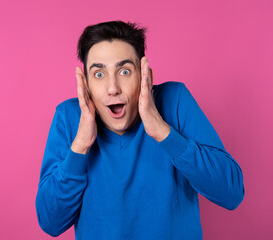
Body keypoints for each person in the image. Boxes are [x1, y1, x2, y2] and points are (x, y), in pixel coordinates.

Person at [35, 21, 244, 240]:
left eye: (124, 71)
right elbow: (51, 222)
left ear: (146, 76)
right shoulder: (69, 117)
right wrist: (80, 147)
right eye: (98, 74)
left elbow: (231, 194)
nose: (113, 88)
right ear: (86, 85)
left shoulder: (175, 100)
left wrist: (164, 132)